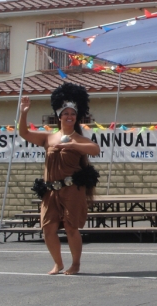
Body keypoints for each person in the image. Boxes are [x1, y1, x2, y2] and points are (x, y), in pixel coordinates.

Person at [18, 83, 100, 275]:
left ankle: (75, 264)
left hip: (72, 189)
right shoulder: (48, 138)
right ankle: (58, 263)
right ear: (59, 116)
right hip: (50, 190)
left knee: (71, 228)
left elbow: (95, 149)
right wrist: (23, 113)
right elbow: (24, 133)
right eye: (66, 114)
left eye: (72, 114)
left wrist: (72, 146)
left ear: (76, 117)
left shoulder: (79, 139)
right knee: (48, 228)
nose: (69, 116)